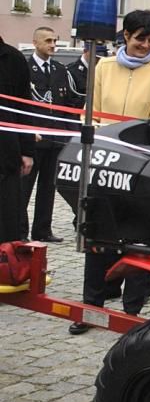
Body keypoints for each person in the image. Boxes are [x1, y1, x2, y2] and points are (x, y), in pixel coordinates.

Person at [70, 10, 150, 335]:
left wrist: (133, 151)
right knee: (97, 234)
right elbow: (92, 110)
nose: (145, 45)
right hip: (102, 160)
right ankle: (92, 306)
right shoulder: (103, 67)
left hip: (137, 164)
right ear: (125, 36)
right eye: (140, 38)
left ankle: (131, 311)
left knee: (137, 237)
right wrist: (101, 140)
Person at [20, 26, 73, 243]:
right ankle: (19, 231)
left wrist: (68, 136)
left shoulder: (60, 70)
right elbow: (23, 105)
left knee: (48, 188)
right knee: (24, 189)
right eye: (48, 41)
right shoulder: (25, 68)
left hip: (55, 139)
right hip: (34, 138)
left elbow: (66, 105)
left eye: (54, 40)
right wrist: (28, 132)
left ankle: (43, 230)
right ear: (35, 43)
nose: (52, 45)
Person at [0, 36, 34, 243]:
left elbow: (24, 107)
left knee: (6, 221)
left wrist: (27, 150)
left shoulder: (13, 59)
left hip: (5, 155)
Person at [66, 41, 109, 109]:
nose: (99, 59)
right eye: (96, 56)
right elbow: (71, 100)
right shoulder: (72, 71)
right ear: (85, 51)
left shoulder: (104, 69)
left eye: (101, 57)